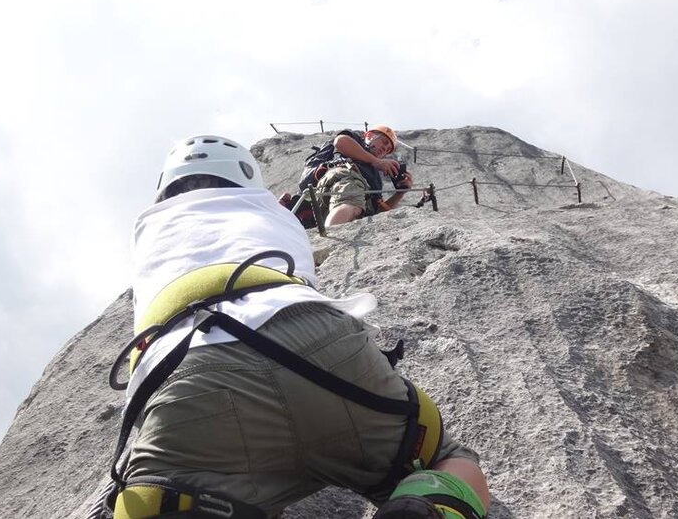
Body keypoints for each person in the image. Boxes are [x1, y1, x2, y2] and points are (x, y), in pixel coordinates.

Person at [111, 135, 489, 519]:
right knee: (443, 458)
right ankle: (431, 507)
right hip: (319, 343)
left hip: (189, 369)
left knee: (156, 503)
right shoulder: (274, 212)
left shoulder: (147, 228)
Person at [317, 125, 414, 228]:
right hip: (346, 177)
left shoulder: (375, 176)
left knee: (356, 207)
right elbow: (341, 141)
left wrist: (399, 194)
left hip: (337, 196)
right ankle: (331, 239)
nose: (385, 149)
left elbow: (378, 211)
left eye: (387, 149)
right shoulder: (358, 142)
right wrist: (376, 161)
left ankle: (330, 229)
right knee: (353, 205)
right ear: (369, 135)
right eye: (384, 142)